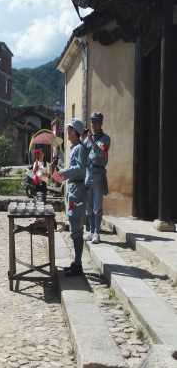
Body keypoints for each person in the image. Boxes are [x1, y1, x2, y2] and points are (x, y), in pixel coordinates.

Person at [58, 118, 88, 277]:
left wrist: (63, 173)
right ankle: (77, 262)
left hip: (77, 190)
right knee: (74, 227)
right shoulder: (76, 148)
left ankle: (78, 264)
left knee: (76, 227)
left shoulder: (79, 149)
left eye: (70, 130)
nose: (67, 132)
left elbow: (79, 169)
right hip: (74, 189)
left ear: (76, 133)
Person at [84, 112, 110, 244]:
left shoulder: (105, 139)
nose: (93, 125)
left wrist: (92, 142)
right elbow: (83, 152)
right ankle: (90, 229)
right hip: (88, 173)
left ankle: (97, 233)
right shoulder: (89, 138)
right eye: (92, 122)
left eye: (96, 122)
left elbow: (101, 153)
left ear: (101, 123)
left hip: (98, 173)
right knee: (88, 205)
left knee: (97, 206)